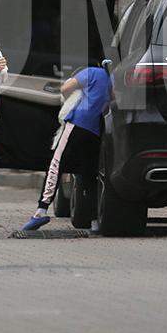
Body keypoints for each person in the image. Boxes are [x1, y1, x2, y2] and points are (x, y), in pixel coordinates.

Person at [23, 59, 113, 232]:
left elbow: (65, 88)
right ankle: (94, 220)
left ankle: (40, 211)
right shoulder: (111, 79)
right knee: (89, 174)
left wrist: (70, 98)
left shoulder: (90, 72)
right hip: (95, 130)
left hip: (77, 122)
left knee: (56, 165)